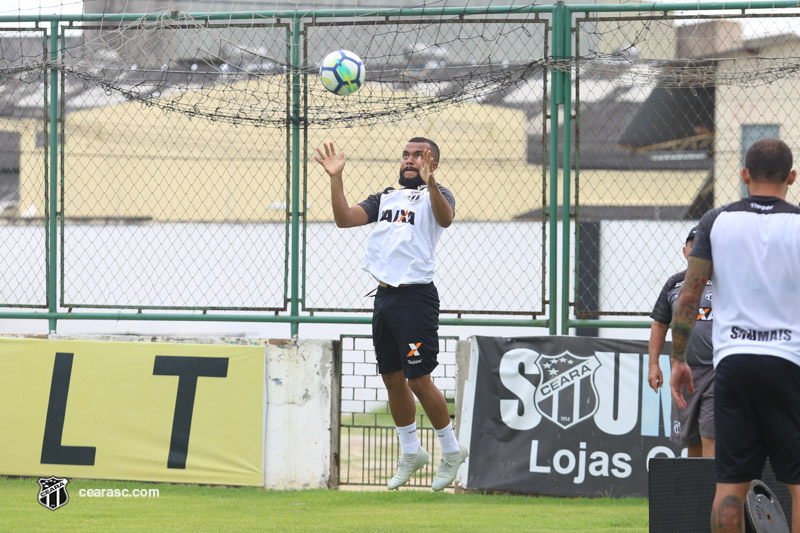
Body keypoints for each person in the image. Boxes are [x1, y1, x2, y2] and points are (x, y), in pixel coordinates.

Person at [313, 137, 468, 492]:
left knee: (419, 380)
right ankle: (411, 452)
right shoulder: (385, 197)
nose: (410, 160)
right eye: (406, 155)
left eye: (419, 155)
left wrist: (430, 182)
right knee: (393, 379)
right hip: (384, 299)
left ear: (432, 163)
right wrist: (336, 177)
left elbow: (445, 220)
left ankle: (451, 451)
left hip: (416, 299)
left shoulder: (438, 194)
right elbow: (344, 219)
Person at [670, 138, 800, 532]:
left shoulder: (714, 221)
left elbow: (691, 292)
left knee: (729, 484)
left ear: (744, 175)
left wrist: (677, 359)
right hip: (790, 363)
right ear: (792, 178)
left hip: (733, 363)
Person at [648, 226, 715, 458]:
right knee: (691, 440)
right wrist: (653, 364)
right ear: (684, 251)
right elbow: (659, 324)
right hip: (684, 371)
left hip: (718, 371)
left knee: (711, 437)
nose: (697, 249)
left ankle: (712, 494)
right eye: (692, 244)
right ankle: (698, 493)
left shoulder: (726, 283)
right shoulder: (673, 284)